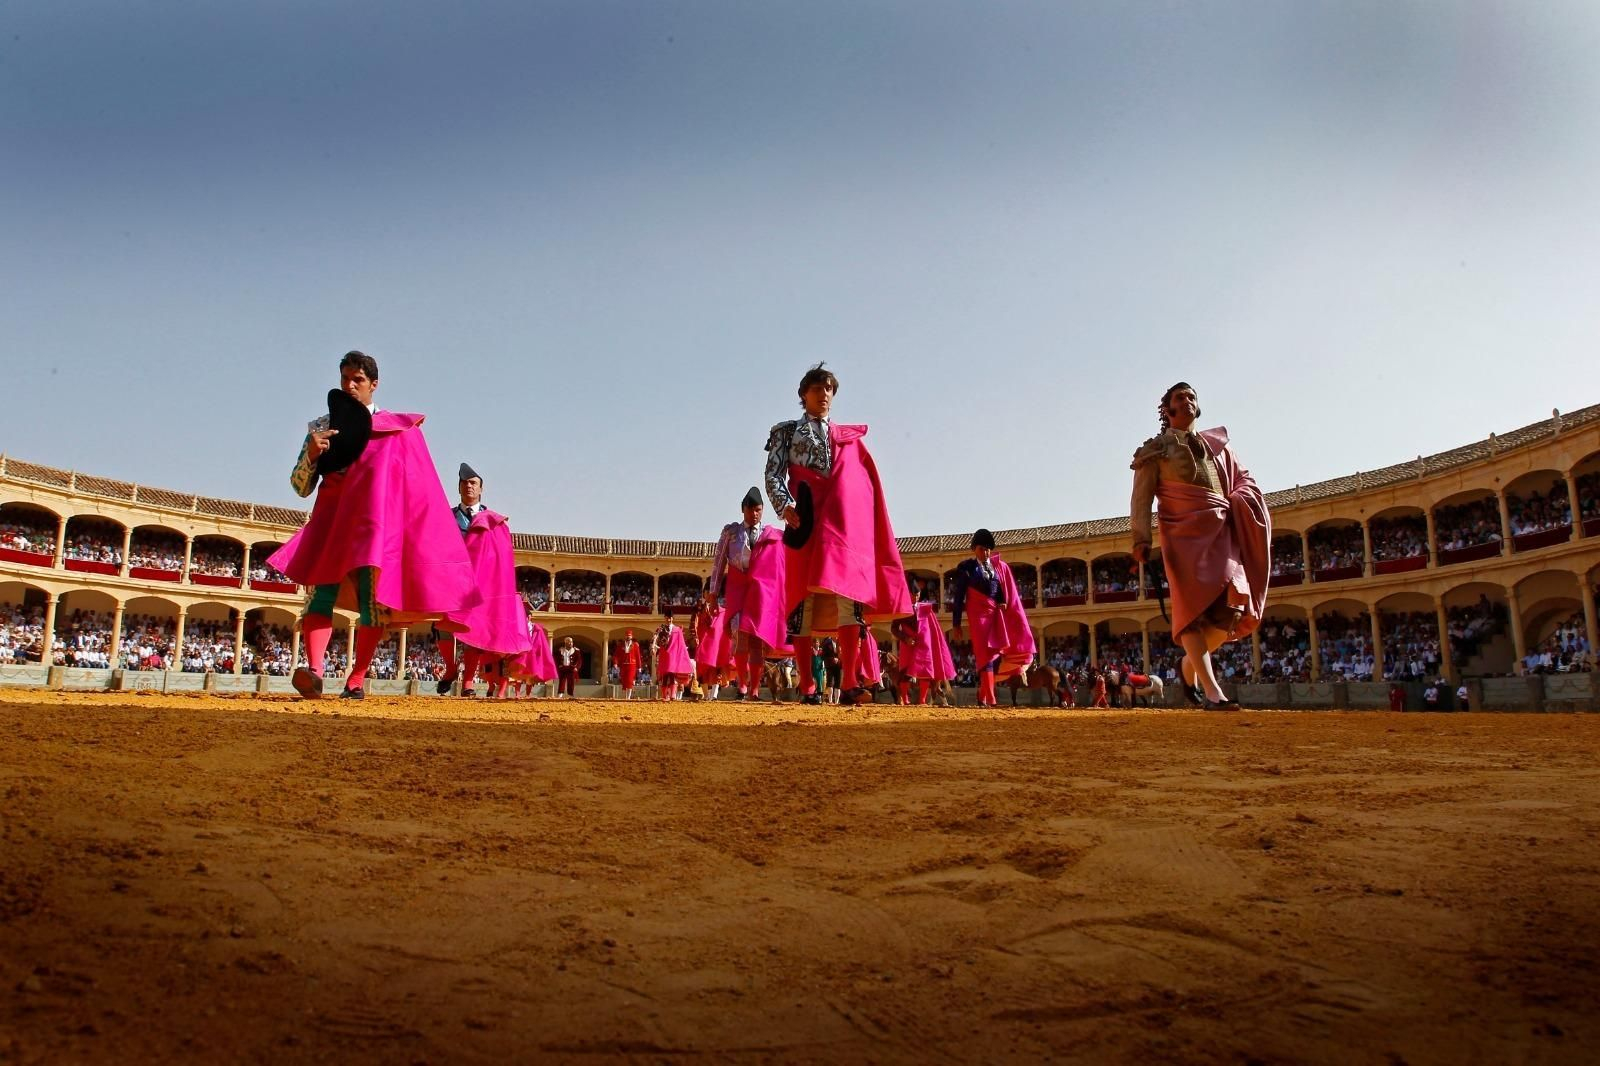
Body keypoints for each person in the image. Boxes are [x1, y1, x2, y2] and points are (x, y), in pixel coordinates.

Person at [269, 351, 475, 700]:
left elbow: (415, 486)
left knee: (371, 602)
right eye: (345, 378)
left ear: (373, 385)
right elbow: (300, 486)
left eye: (358, 380)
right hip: (332, 522)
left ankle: (356, 678)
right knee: (320, 595)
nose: (349, 385)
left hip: (372, 526)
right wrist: (311, 457)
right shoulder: (321, 427)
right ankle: (314, 671)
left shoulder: (395, 429)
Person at [763, 363, 911, 705]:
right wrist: (785, 506)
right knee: (803, 600)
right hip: (805, 517)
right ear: (803, 395)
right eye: (817, 389)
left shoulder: (847, 438)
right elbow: (773, 474)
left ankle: (848, 683)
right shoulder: (786, 432)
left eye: (829, 389)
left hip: (842, 525)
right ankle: (808, 688)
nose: (824, 394)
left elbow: (861, 484)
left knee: (850, 598)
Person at [1130, 382, 1270, 711]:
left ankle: (1188, 667)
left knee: (1230, 612)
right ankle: (1212, 692)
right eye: (1180, 398)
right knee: (1191, 617)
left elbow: (1244, 481)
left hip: (1221, 532)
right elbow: (1141, 497)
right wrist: (1140, 539)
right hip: (1182, 537)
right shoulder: (1156, 449)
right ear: (1167, 409)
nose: (1188, 401)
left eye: (1192, 396)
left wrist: (1242, 499)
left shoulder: (1218, 447)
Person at [435, 463, 533, 697]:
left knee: (475, 629)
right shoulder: (446, 516)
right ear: (459, 488)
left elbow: (501, 557)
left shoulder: (495, 522)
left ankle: (468, 681)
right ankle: (450, 668)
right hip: (451, 579)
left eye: (473, 483)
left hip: (480, 585)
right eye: (465, 483)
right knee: (443, 626)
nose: (469, 486)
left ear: (481, 489)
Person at [705, 487, 787, 703]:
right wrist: (713, 593)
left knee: (757, 642)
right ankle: (742, 686)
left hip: (760, 591)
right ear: (743, 510)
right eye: (751, 510)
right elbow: (719, 563)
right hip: (738, 588)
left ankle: (754, 691)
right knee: (742, 638)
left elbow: (780, 567)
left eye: (758, 510)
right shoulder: (731, 533)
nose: (754, 514)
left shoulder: (772, 535)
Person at [949, 528, 1036, 708]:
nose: (986, 552)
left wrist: (1003, 601)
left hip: (994, 615)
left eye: (988, 549)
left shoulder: (994, 568)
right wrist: (956, 623)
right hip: (978, 616)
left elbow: (998, 589)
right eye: (982, 549)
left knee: (995, 658)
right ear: (974, 549)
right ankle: (992, 700)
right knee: (986, 656)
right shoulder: (967, 568)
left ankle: (982, 697)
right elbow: (958, 598)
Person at [653, 608, 692, 701]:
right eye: (666, 618)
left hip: (673, 655)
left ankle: (672, 695)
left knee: (672, 675)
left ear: (671, 618)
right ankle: (664, 695)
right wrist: (654, 647)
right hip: (664, 655)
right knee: (665, 675)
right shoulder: (661, 628)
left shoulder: (677, 630)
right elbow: (655, 638)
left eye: (668, 618)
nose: (667, 619)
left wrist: (683, 654)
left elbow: (681, 643)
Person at [614, 629, 642, 699]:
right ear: (625, 636)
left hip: (632, 664)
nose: (628, 637)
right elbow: (616, 655)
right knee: (624, 680)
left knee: (629, 680)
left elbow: (638, 656)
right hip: (623, 665)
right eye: (627, 636)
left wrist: (639, 667)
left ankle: (628, 697)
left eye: (629, 636)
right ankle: (627, 695)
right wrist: (615, 663)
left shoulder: (635, 645)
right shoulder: (621, 645)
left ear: (632, 636)